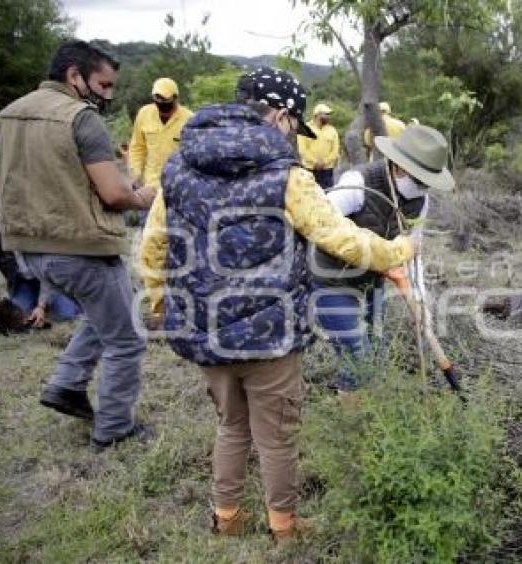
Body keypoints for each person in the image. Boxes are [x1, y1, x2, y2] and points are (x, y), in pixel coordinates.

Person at [141, 67, 417, 539]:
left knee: (231, 426)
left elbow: (154, 245)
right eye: (293, 124)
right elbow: (340, 239)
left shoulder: (178, 166)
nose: (293, 134)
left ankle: (227, 519)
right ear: (281, 116)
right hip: (272, 335)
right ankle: (284, 526)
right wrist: (398, 251)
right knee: (277, 436)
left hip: (202, 329)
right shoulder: (287, 177)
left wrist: (161, 303)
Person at [0, 40, 156, 450]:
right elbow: (115, 195)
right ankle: (115, 428)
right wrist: (144, 196)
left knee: (110, 313)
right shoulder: (81, 119)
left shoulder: (8, 116)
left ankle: (66, 385)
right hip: (80, 248)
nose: (108, 94)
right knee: (128, 335)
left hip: (27, 248)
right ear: (74, 75)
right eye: (103, 84)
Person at [313, 125, 454, 392]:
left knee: (375, 350)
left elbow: (413, 251)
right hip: (330, 281)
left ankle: (362, 409)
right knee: (358, 354)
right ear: (400, 167)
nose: (424, 189)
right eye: (420, 181)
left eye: (429, 183)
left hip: (370, 284)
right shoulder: (358, 183)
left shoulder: (419, 200)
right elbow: (320, 222)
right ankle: (349, 426)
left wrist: (420, 300)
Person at [0, 216, 80, 327]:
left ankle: (77, 300)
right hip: (22, 282)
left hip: (51, 279)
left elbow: (49, 270)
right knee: (18, 315)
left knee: (65, 315)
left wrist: (41, 305)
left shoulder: (36, 227)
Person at [128, 77, 193, 191]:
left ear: (175, 98)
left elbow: (192, 156)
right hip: (149, 186)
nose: (162, 103)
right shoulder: (144, 114)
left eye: (166, 100)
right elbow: (137, 147)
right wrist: (136, 174)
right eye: (158, 99)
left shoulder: (189, 119)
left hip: (178, 185)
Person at [297, 102, 340, 189]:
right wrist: (315, 162)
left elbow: (335, 151)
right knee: (309, 193)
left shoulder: (332, 130)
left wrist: (324, 162)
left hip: (327, 170)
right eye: (326, 114)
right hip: (309, 169)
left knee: (328, 193)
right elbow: (302, 150)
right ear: (317, 115)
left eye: (329, 114)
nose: (328, 116)